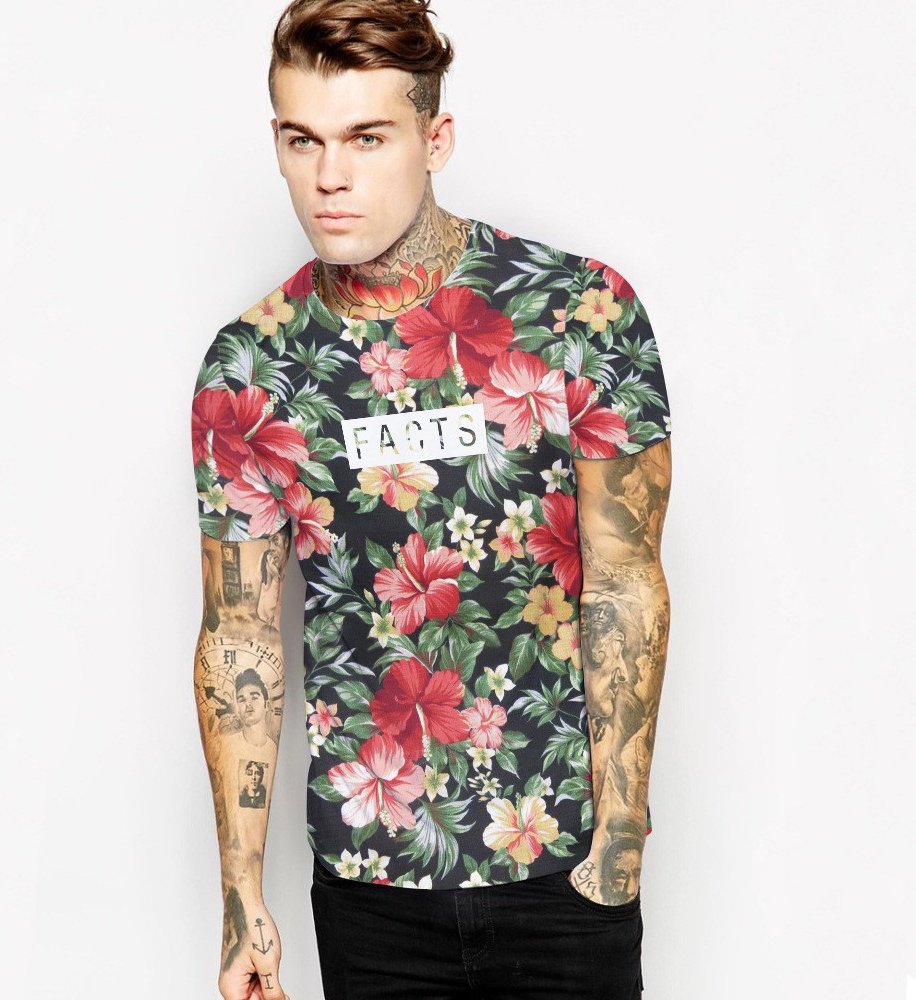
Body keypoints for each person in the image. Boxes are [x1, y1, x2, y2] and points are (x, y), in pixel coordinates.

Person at [190, 2, 673, 998]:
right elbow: (240, 633)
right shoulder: (253, 367)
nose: (329, 176)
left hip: (561, 868)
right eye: (302, 140)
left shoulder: (578, 312)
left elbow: (624, 581)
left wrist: (621, 837)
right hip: (369, 883)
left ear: (435, 138)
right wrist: (242, 895)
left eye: (367, 138)